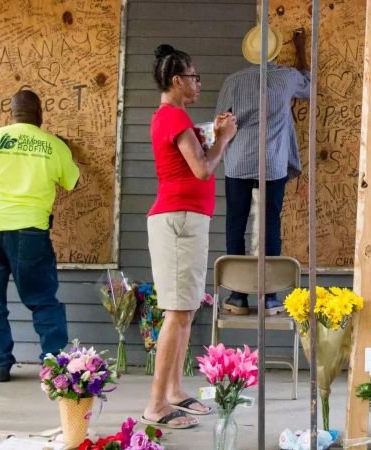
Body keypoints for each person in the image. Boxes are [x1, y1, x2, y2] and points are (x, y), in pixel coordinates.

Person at [141, 44, 237, 429]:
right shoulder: (173, 117)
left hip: (186, 219)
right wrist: (224, 138)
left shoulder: (176, 118)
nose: (198, 83)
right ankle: (155, 405)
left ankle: (175, 391)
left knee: (185, 310)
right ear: (177, 80)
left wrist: (213, 134)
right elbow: (202, 169)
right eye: (194, 77)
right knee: (178, 312)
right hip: (178, 220)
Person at [0, 90, 80, 383]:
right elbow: (71, 181)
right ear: (40, 114)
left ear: (10, 114)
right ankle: (54, 364)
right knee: (43, 299)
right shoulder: (52, 145)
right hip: (29, 231)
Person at [215, 25, 310, 315]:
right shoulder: (287, 77)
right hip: (272, 163)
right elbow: (308, 85)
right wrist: (301, 48)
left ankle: (238, 296)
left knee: (236, 225)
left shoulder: (233, 81)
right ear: (276, 51)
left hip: (239, 161)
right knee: (270, 225)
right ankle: (269, 297)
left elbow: (218, 120)